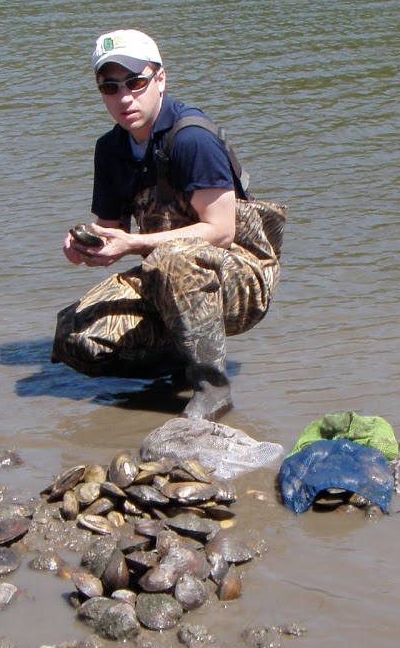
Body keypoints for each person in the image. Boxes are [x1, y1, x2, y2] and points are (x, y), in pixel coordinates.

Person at [53, 29, 283, 420]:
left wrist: (132, 244)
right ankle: (179, 360)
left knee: (174, 260)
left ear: (160, 80)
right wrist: (88, 247)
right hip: (163, 272)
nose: (124, 97)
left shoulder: (192, 138)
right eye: (109, 87)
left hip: (241, 277)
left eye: (135, 82)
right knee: (74, 337)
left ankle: (212, 387)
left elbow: (222, 230)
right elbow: (111, 228)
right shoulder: (109, 149)